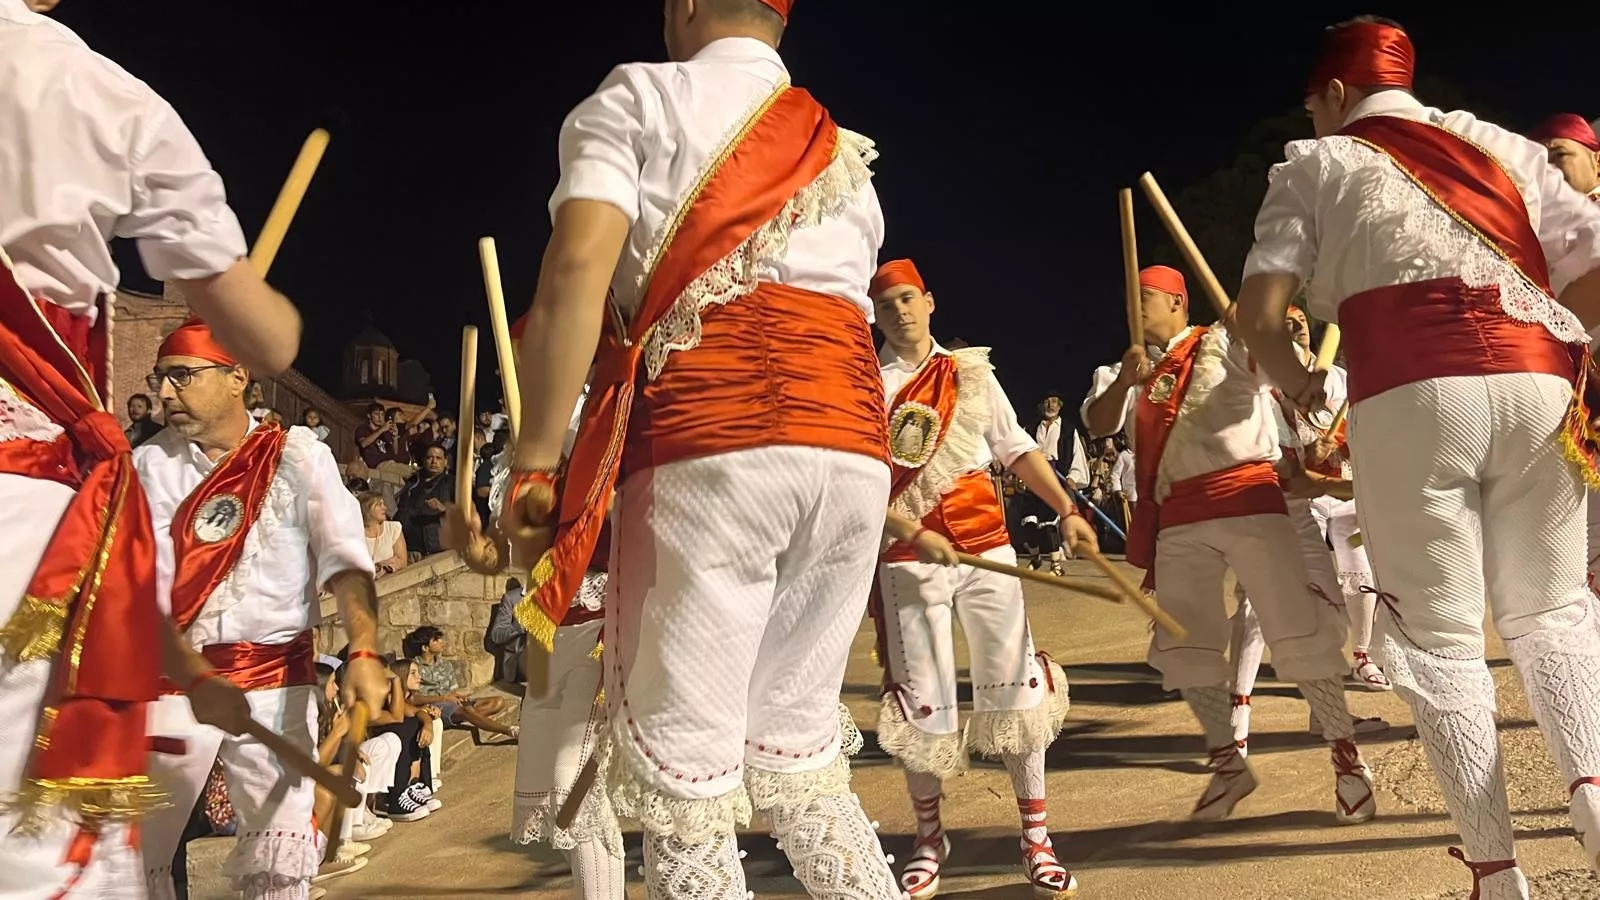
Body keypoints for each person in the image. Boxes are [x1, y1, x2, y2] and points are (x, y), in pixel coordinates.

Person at [483, 1, 901, 895]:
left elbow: (575, 272)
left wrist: (537, 461)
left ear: (682, 6)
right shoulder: (840, 149)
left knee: (689, 784)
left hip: (714, 440)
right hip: (853, 456)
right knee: (801, 756)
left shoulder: (641, 96)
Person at [1231, 17, 1600, 896]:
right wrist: (1564, 352)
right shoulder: (1495, 143)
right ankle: (1592, 792)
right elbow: (1591, 266)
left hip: (1408, 395)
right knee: (1551, 612)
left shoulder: (1315, 162)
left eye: (1314, 105)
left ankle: (1496, 870)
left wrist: (1303, 385)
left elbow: (1259, 317)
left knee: (1442, 642)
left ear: (1334, 93)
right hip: (1539, 389)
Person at [0, 1, 304, 892]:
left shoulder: (301, 459)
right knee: (35, 843)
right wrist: (262, 320)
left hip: (253, 675)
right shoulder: (97, 94)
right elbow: (268, 337)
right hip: (22, 513)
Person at [1081, 265, 1374, 826]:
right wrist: (1124, 382)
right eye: (1129, 298)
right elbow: (1098, 424)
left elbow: (1290, 377)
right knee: (1184, 645)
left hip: (1248, 499)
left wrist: (1257, 333)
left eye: (1144, 297)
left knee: (1295, 629)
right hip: (1177, 514)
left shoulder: (1223, 342)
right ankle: (1227, 762)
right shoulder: (1125, 369)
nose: (1133, 306)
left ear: (1177, 302)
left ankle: (1346, 758)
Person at [132, 320, 386, 900]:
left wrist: (365, 650)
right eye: (160, 378)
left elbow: (347, 562)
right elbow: (139, 590)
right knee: (134, 855)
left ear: (237, 378)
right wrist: (195, 678)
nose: (165, 392)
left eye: (182, 376)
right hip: (172, 681)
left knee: (280, 858)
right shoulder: (148, 467)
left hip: (276, 681)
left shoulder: (299, 457)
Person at [869, 258, 1085, 899]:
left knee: (1016, 688)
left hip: (987, 544)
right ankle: (928, 838)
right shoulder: (865, 383)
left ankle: (1036, 838)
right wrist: (910, 531)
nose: (900, 311)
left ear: (930, 302)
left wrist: (1067, 509)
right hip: (909, 554)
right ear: (875, 315)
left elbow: (1016, 448)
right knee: (923, 698)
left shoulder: (970, 372)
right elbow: (857, 479)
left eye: (909, 298)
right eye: (887, 303)